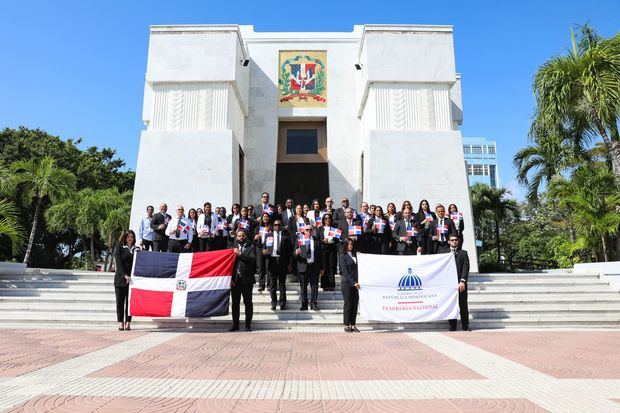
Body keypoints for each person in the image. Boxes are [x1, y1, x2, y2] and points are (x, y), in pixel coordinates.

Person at [230, 230, 256, 332]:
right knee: (235, 304)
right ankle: (235, 325)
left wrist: (240, 254)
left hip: (247, 280)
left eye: (243, 236)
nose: (241, 237)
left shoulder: (251, 247)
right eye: (239, 236)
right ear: (236, 238)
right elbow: (229, 266)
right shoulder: (232, 249)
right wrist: (231, 279)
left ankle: (248, 325)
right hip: (235, 280)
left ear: (245, 237)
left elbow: (253, 259)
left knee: (248, 303)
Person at [263, 219, 292, 310]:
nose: (277, 226)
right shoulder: (268, 236)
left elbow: (289, 252)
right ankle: (274, 302)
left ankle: (282, 302)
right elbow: (263, 248)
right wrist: (264, 252)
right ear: (273, 226)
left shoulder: (286, 236)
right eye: (275, 225)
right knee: (273, 284)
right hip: (272, 261)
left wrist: (289, 263)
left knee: (282, 284)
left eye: (279, 225)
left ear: (281, 226)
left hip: (282, 262)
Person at [114, 230, 138, 331]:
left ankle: (128, 322)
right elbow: (118, 264)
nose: (130, 238)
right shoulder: (119, 248)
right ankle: (120, 323)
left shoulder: (136, 249)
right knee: (120, 302)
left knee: (129, 303)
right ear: (125, 237)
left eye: (132, 237)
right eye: (128, 237)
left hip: (132, 280)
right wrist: (125, 275)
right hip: (120, 279)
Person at [295, 225, 321, 311]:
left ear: (313, 231)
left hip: (314, 266)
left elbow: (321, 255)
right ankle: (304, 304)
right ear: (304, 231)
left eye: (310, 230)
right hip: (303, 266)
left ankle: (313, 303)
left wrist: (322, 267)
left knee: (314, 286)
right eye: (307, 230)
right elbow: (293, 253)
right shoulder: (300, 240)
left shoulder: (316, 240)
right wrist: (296, 252)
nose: (309, 231)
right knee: (303, 287)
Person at [448, 234, 471, 331]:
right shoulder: (444, 253)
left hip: (461, 283)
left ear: (458, 241)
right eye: (452, 240)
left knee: (463, 304)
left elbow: (466, 267)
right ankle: (452, 326)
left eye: (456, 240)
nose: (454, 241)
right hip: (448, 284)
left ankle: (465, 326)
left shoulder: (463, 253)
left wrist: (462, 281)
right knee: (450, 304)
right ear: (449, 241)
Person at [340, 238, 360, 333]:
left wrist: (357, 282)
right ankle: (347, 325)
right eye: (348, 244)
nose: (350, 246)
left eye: (351, 244)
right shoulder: (342, 256)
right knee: (348, 304)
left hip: (356, 283)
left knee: (355, 304)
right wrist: (353, 282)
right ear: (345, 245)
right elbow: (345, 272)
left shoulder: (355, 255)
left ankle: (353, 324)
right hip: (347, 283)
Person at [318, 213, 338, 291]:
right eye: (326, 219)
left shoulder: (334, 228)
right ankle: (324, 285)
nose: (327, 220)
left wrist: (333, 240)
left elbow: (337, 239)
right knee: (324, 266)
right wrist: (323, 240)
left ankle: (331, 285)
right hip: (323, 248)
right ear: (323, 220)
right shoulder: (320, 228)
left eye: (329, 218)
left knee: (331, 266)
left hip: (332, 248)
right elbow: (318, 238)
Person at [253, 213, 272, 292]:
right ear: (261, 218)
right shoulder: (258, 228)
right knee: (261, 267)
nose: (265, 218)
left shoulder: (271, 228)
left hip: (268, 248)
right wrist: (255, 238)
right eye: (264, 217)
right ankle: (261, 285)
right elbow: (253, 240)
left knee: (268, 267)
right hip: (260, 248)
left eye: (267, 217)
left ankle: (269, 285)